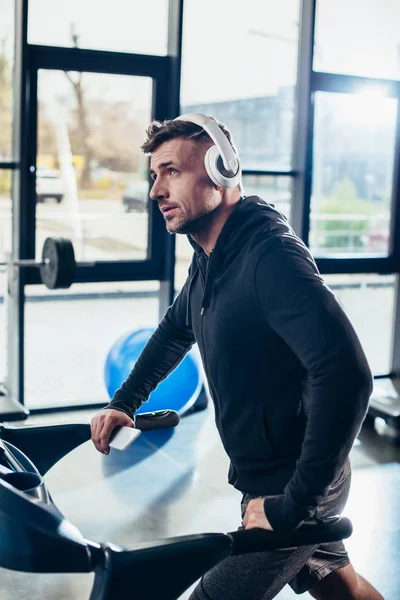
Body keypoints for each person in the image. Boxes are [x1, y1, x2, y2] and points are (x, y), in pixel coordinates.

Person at [90, 114, 383, 600]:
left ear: (221, 172)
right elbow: (174, 329)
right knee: (339, 587)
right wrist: (126, 400)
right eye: (154, 176)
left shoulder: (270, 258)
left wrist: (292, 507)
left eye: (171, 172)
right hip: (269, 476)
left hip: (299, 481)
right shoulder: (210, 254)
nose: (155, 191)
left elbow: (346, 374)